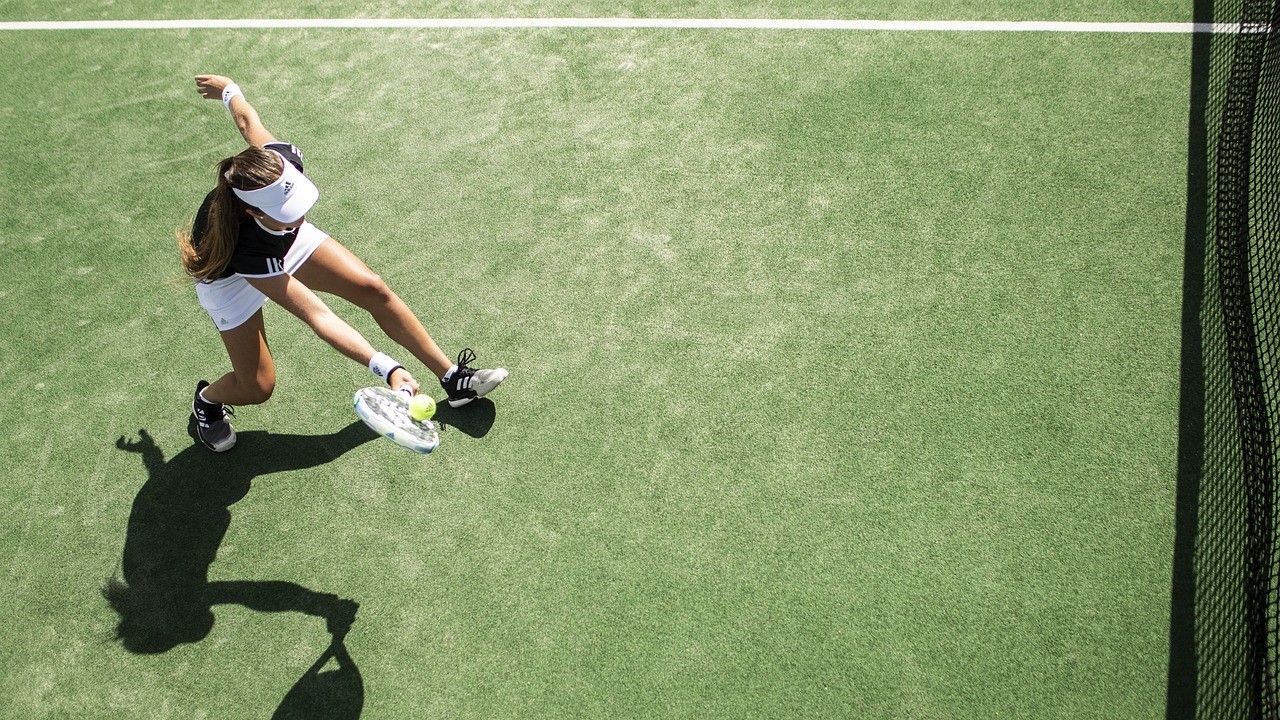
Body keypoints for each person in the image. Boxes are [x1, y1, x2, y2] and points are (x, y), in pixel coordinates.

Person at [178, 75, 506, 452]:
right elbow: (320, 316)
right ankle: (207, 401)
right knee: (257, 386)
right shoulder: (244, 247)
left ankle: (452, 379)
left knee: (372, 288)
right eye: (290, 211)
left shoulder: (277, 166)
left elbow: (247, 122)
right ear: (253, 211)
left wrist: (229, 91)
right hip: (230, 278)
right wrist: (387, 367)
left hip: (277, 236)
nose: (300, 215)